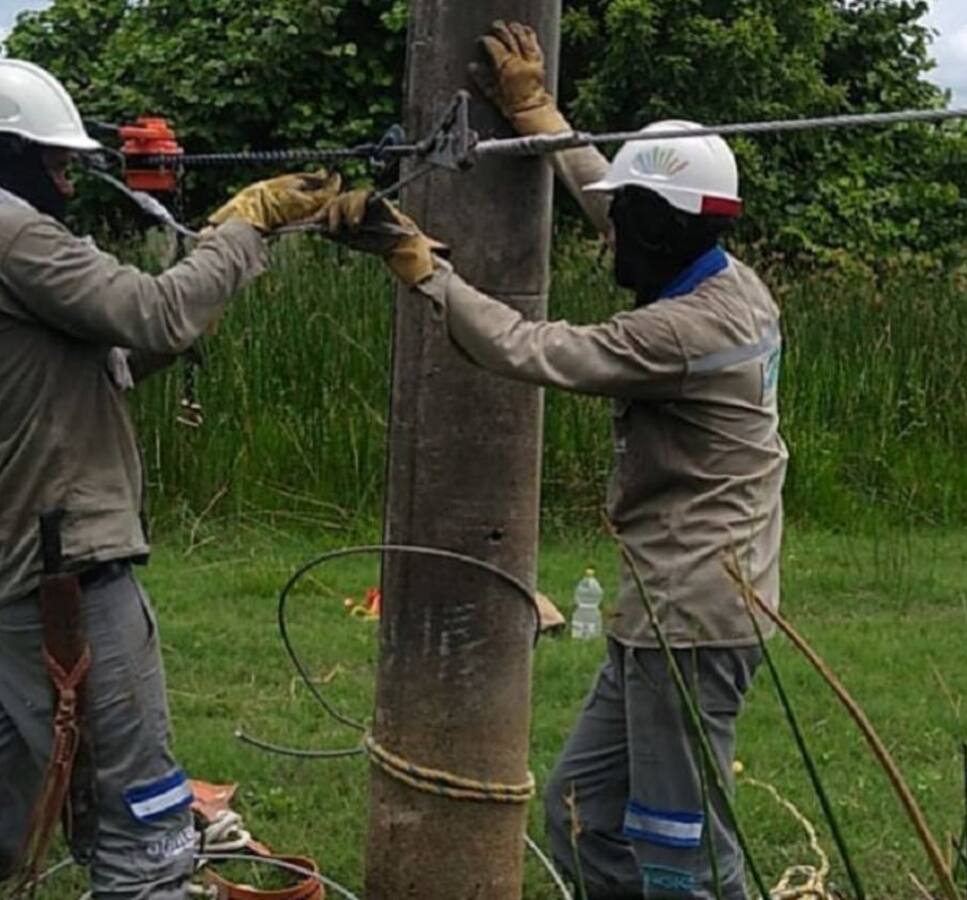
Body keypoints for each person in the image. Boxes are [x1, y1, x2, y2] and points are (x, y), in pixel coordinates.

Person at [317, 21, 786, 899]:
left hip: (695, 615)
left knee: (678, 846)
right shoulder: (723, 275)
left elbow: (530, 349)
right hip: (671, 608)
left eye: (627, 218)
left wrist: (420, 265)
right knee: (581, 811)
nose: (608, 235)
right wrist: (537, 112)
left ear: (662, 225)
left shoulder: (680, 330)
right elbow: (621, 205)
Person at [0, 59, 339, 899]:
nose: (67, 180)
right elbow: (154, 312)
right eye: (53, 160)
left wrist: (206, 282)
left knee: (10, 799)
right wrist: (246, 226)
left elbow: (115, 357)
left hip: (20, 573)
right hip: (63, 573)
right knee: (140, 814)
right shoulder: (9, 231)